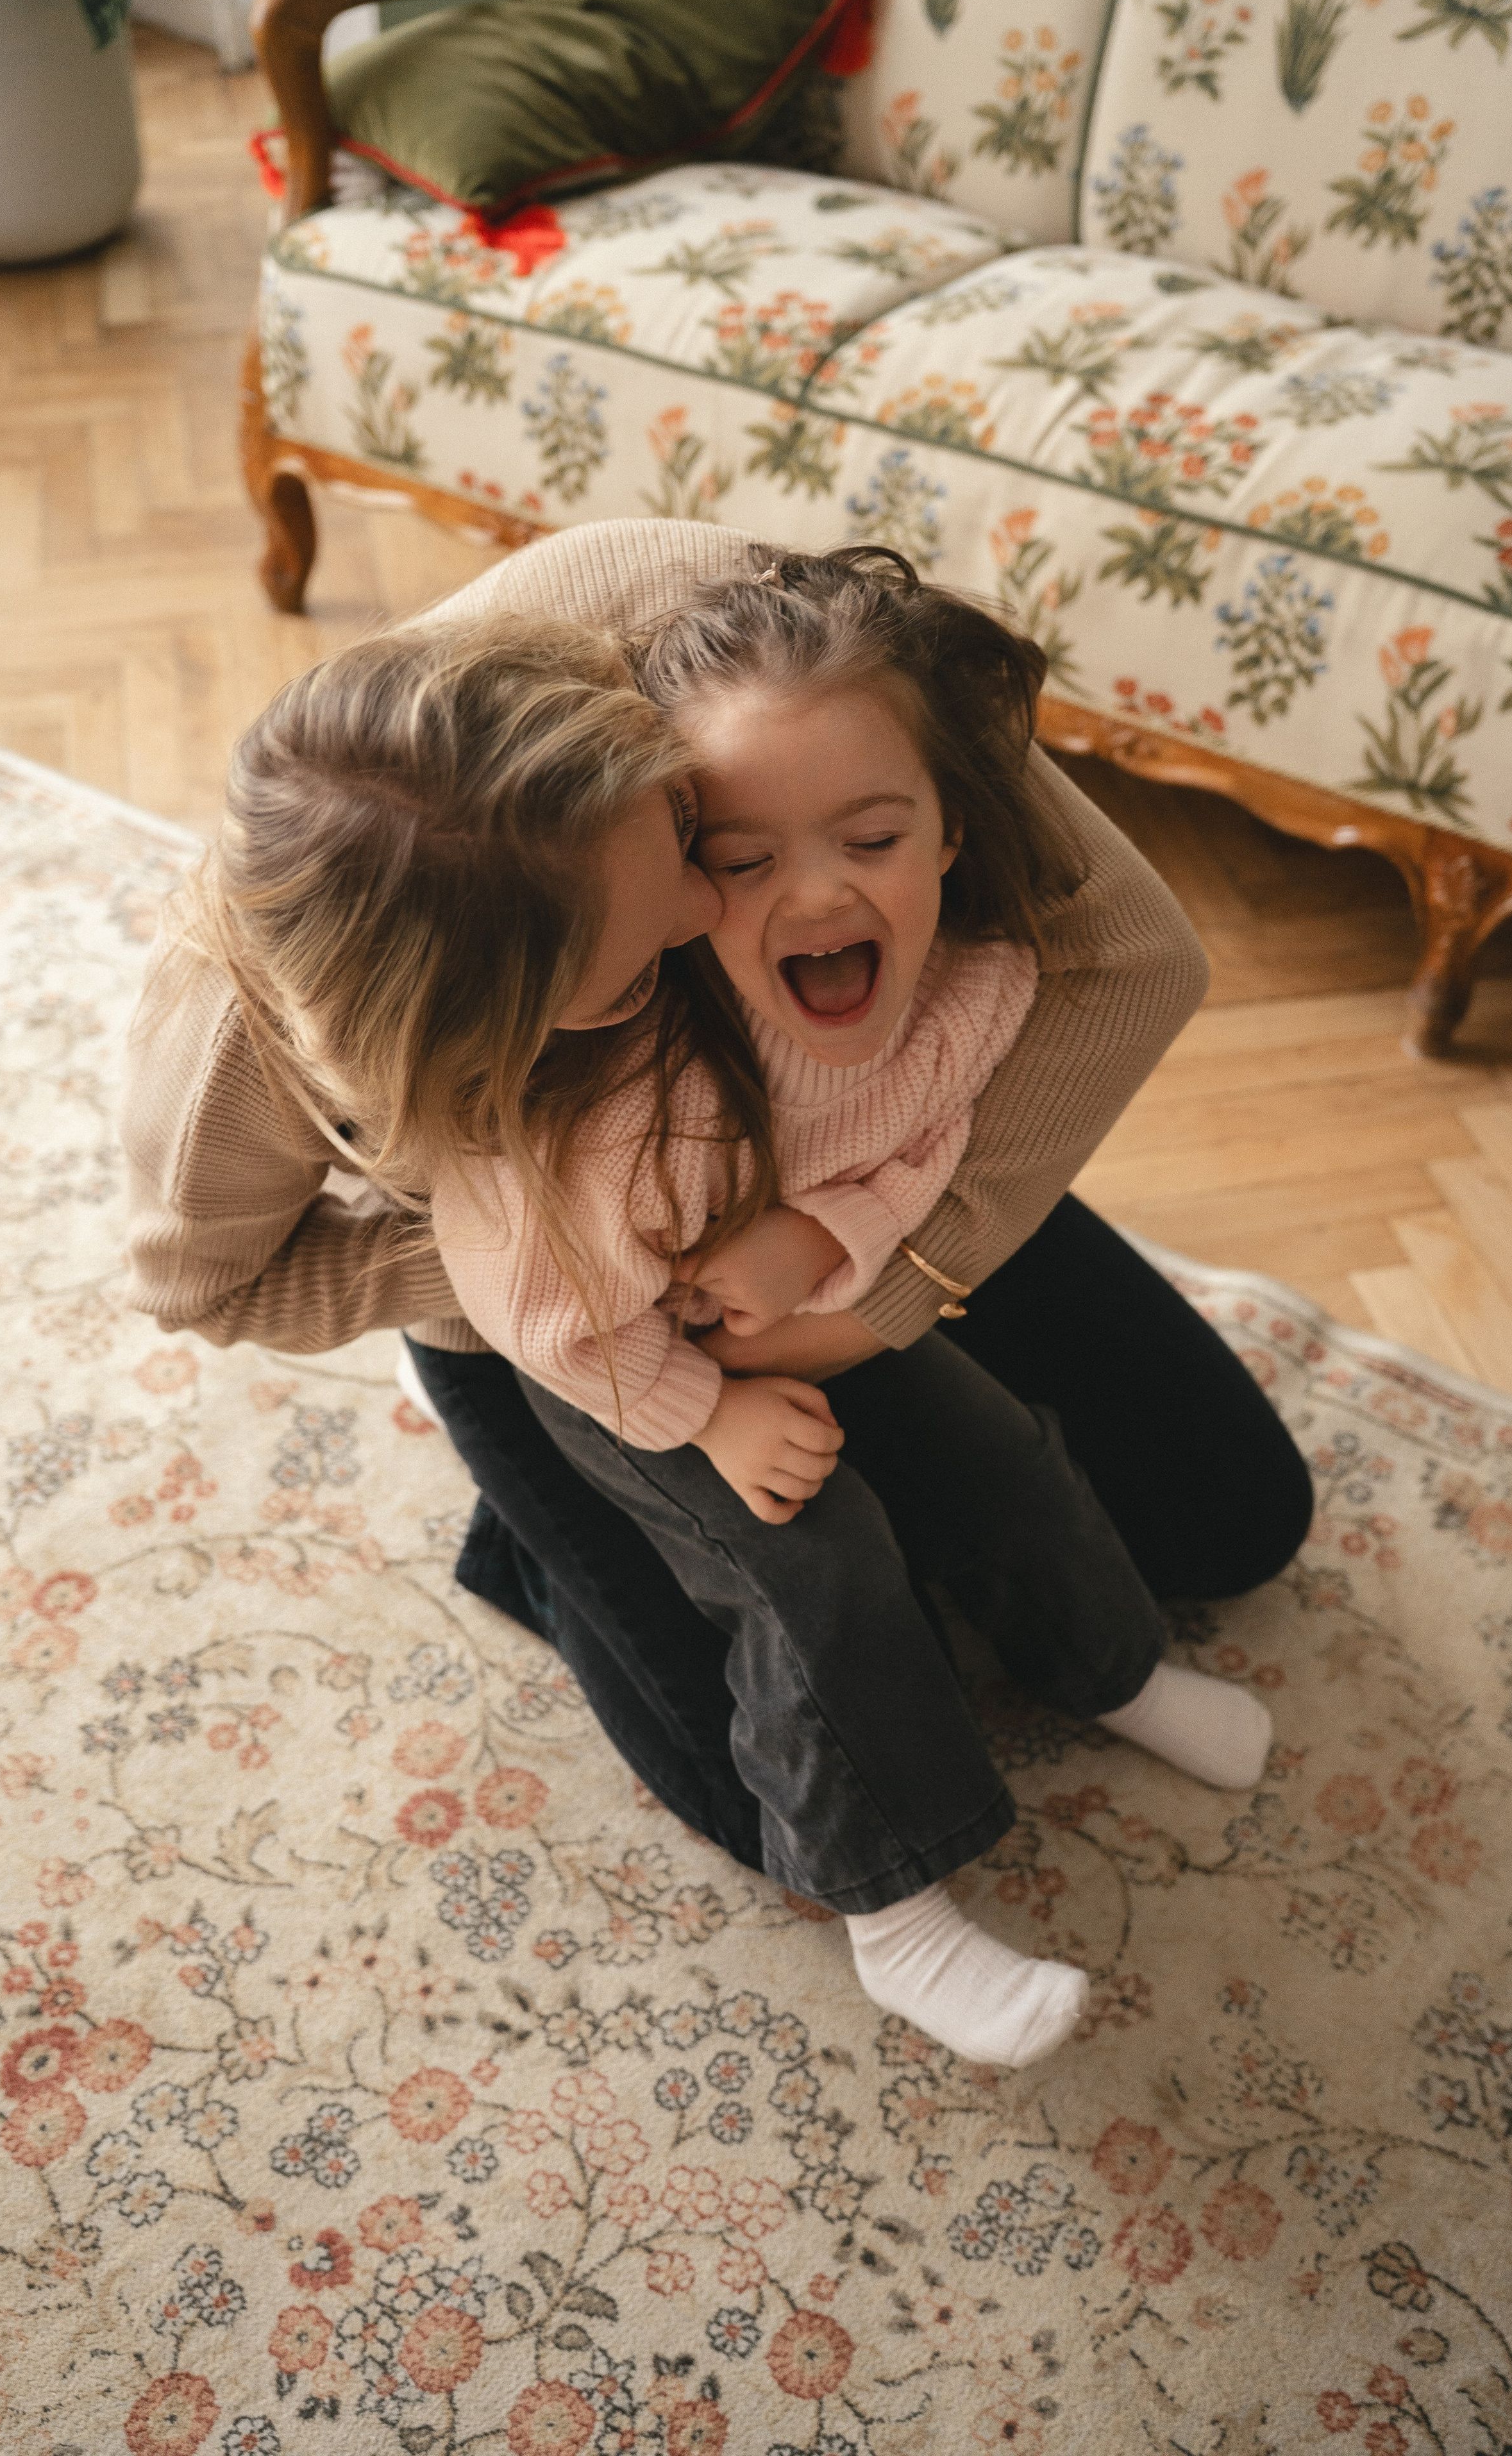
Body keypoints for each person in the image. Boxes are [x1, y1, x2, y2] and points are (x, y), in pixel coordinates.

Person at [130, 544, 1299, 2067]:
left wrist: (859, 1259)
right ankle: (872, 1886)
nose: (702, 910)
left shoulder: (780, 671)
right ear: (496, 1024)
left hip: (795, 1208)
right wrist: (604, 1308)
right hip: (582, 1327)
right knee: (799, 1672)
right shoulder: (409, 1088)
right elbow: (224, 1286)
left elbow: (1080, 984)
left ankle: (1112, 1665)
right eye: (712, 875)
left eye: (694, 849)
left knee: (1170, 1503)